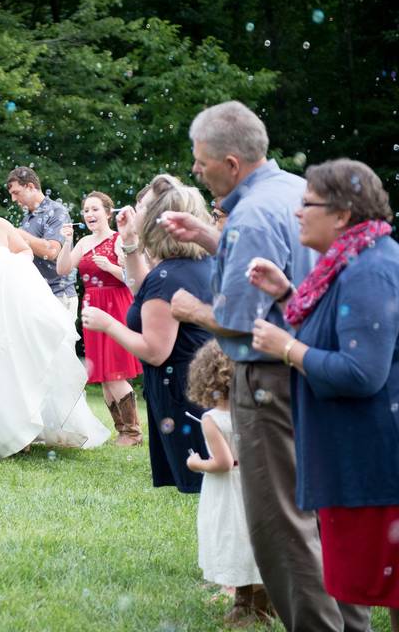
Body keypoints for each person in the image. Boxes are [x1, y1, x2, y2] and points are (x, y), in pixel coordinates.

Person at [161, 101, 370, 630]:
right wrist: (210, 238)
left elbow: (239, 319)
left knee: (283, 524)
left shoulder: (250, 214)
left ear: (231, 164)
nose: (194, 169)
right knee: (325, 515)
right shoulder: (296, 191)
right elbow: (285, 271)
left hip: (269, 383)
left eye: (200, 159)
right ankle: (352, 623)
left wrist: (190, 311)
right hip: (316, 371)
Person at [246, 159, 399, 630]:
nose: (297, 214)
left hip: (378, 470)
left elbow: (361, 372)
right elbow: (342, 335)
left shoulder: (371, 269)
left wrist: (287, 347)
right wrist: (288, 295)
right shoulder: (353, 261)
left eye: (307, 204)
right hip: (363, 465)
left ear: (341, 214)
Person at [0, 180, 110, 458]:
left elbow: (24, 252)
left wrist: (10, 271)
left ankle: (18, 431)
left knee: (8, 372)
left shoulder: (0, 225)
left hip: (1, 310)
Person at [80, 177, 212, 493]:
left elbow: (155, 351)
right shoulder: (184, 264)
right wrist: (128, 243)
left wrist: (108, 324)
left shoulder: (168, 276)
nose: (135, 208)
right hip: (192, 386)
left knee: (206, 489)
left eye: (143, 205)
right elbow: (141, 290)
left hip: (183, 392)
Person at [186, 340, 271, 626]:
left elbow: (222, 463)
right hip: (256, 484)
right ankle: (264, 603)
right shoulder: (256, 412)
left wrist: (196, 463)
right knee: (254, 540)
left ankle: (245, 607)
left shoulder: (212, 419)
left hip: (230, 491)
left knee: (234, 540)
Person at [57, 191, 143, 445]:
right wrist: (67, 242)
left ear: (108, 212)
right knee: (104, 373)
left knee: (115, 371)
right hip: (92, 306)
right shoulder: (84, 242)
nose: (89, 214)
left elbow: (132, 278)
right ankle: (122, 430)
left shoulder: (118, 240)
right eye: (86, 210)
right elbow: (63, 269)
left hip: (115, 304)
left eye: (95, 209)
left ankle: (133, 432)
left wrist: (109, 266)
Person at [6, 167, 78, 319]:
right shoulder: (27, 218)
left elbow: (52, 251)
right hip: (37, 294)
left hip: (58, 293)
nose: (13, 199)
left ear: (31, 187)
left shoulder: (57, 211)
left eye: (16, 193)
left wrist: (19, 234)